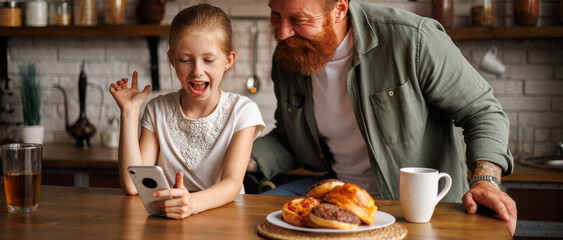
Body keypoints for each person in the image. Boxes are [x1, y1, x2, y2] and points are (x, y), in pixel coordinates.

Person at [248, 0, 517, 235]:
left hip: (418, 210)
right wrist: (239, 158)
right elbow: (291, 138)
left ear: (340, 9)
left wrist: (487, 182)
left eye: (299, 19)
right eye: (275, 15)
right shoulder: (291, 54)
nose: (282, 33)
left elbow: (482, 111)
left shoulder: (413, 38)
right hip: (341, 204)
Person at [109, 4, 265, 219]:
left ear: (228, 61)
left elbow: (232, 183)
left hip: (226, 221)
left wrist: (191, 203)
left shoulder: (243, 111)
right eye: (185, 60)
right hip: (170, 220)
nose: (197, 71)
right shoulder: (157, 110)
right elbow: (133, 185)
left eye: (208, 60)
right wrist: (129, 111)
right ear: (172, 60)